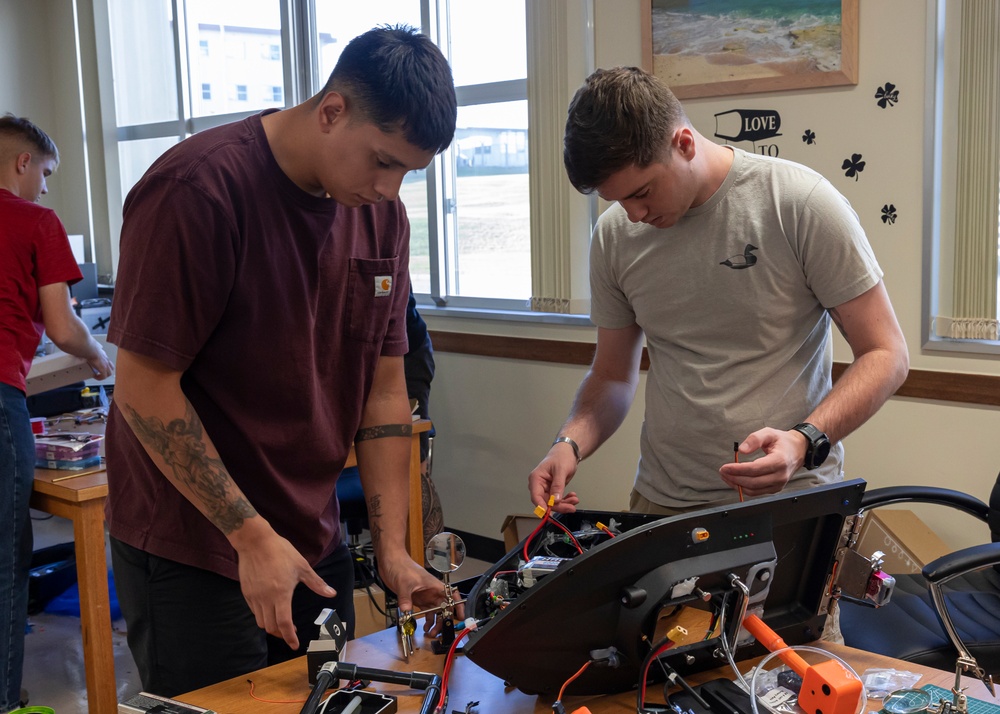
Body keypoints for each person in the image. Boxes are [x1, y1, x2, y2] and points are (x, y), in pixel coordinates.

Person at [104, 26, 457, 696]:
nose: (389, 188)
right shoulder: (197, 191)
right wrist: (249, 534)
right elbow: (143, 390)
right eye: (382, 161)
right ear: (331, 112)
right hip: (195, 541)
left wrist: (392, 551)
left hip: (309, 531)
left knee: (328, 701)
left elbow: (385, 396)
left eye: (409, 171)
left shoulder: (383, 219)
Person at [529, 66, 909, 518]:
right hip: (663, 503)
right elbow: (612, 375)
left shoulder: (800, 203)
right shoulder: (614, 236)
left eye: (643, 192)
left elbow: (886, 354)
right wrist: (568, 444)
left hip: (791, 500)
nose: (633, 215)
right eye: (618, 201)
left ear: (684, 143)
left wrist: (803, 440)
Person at [0, 114, 114, 713]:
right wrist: (99, 357)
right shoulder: (37, 221)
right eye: (45, 172)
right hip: (0, 396)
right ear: (23, 162)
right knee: (5, 566)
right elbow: (64, 326)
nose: (45, 187)